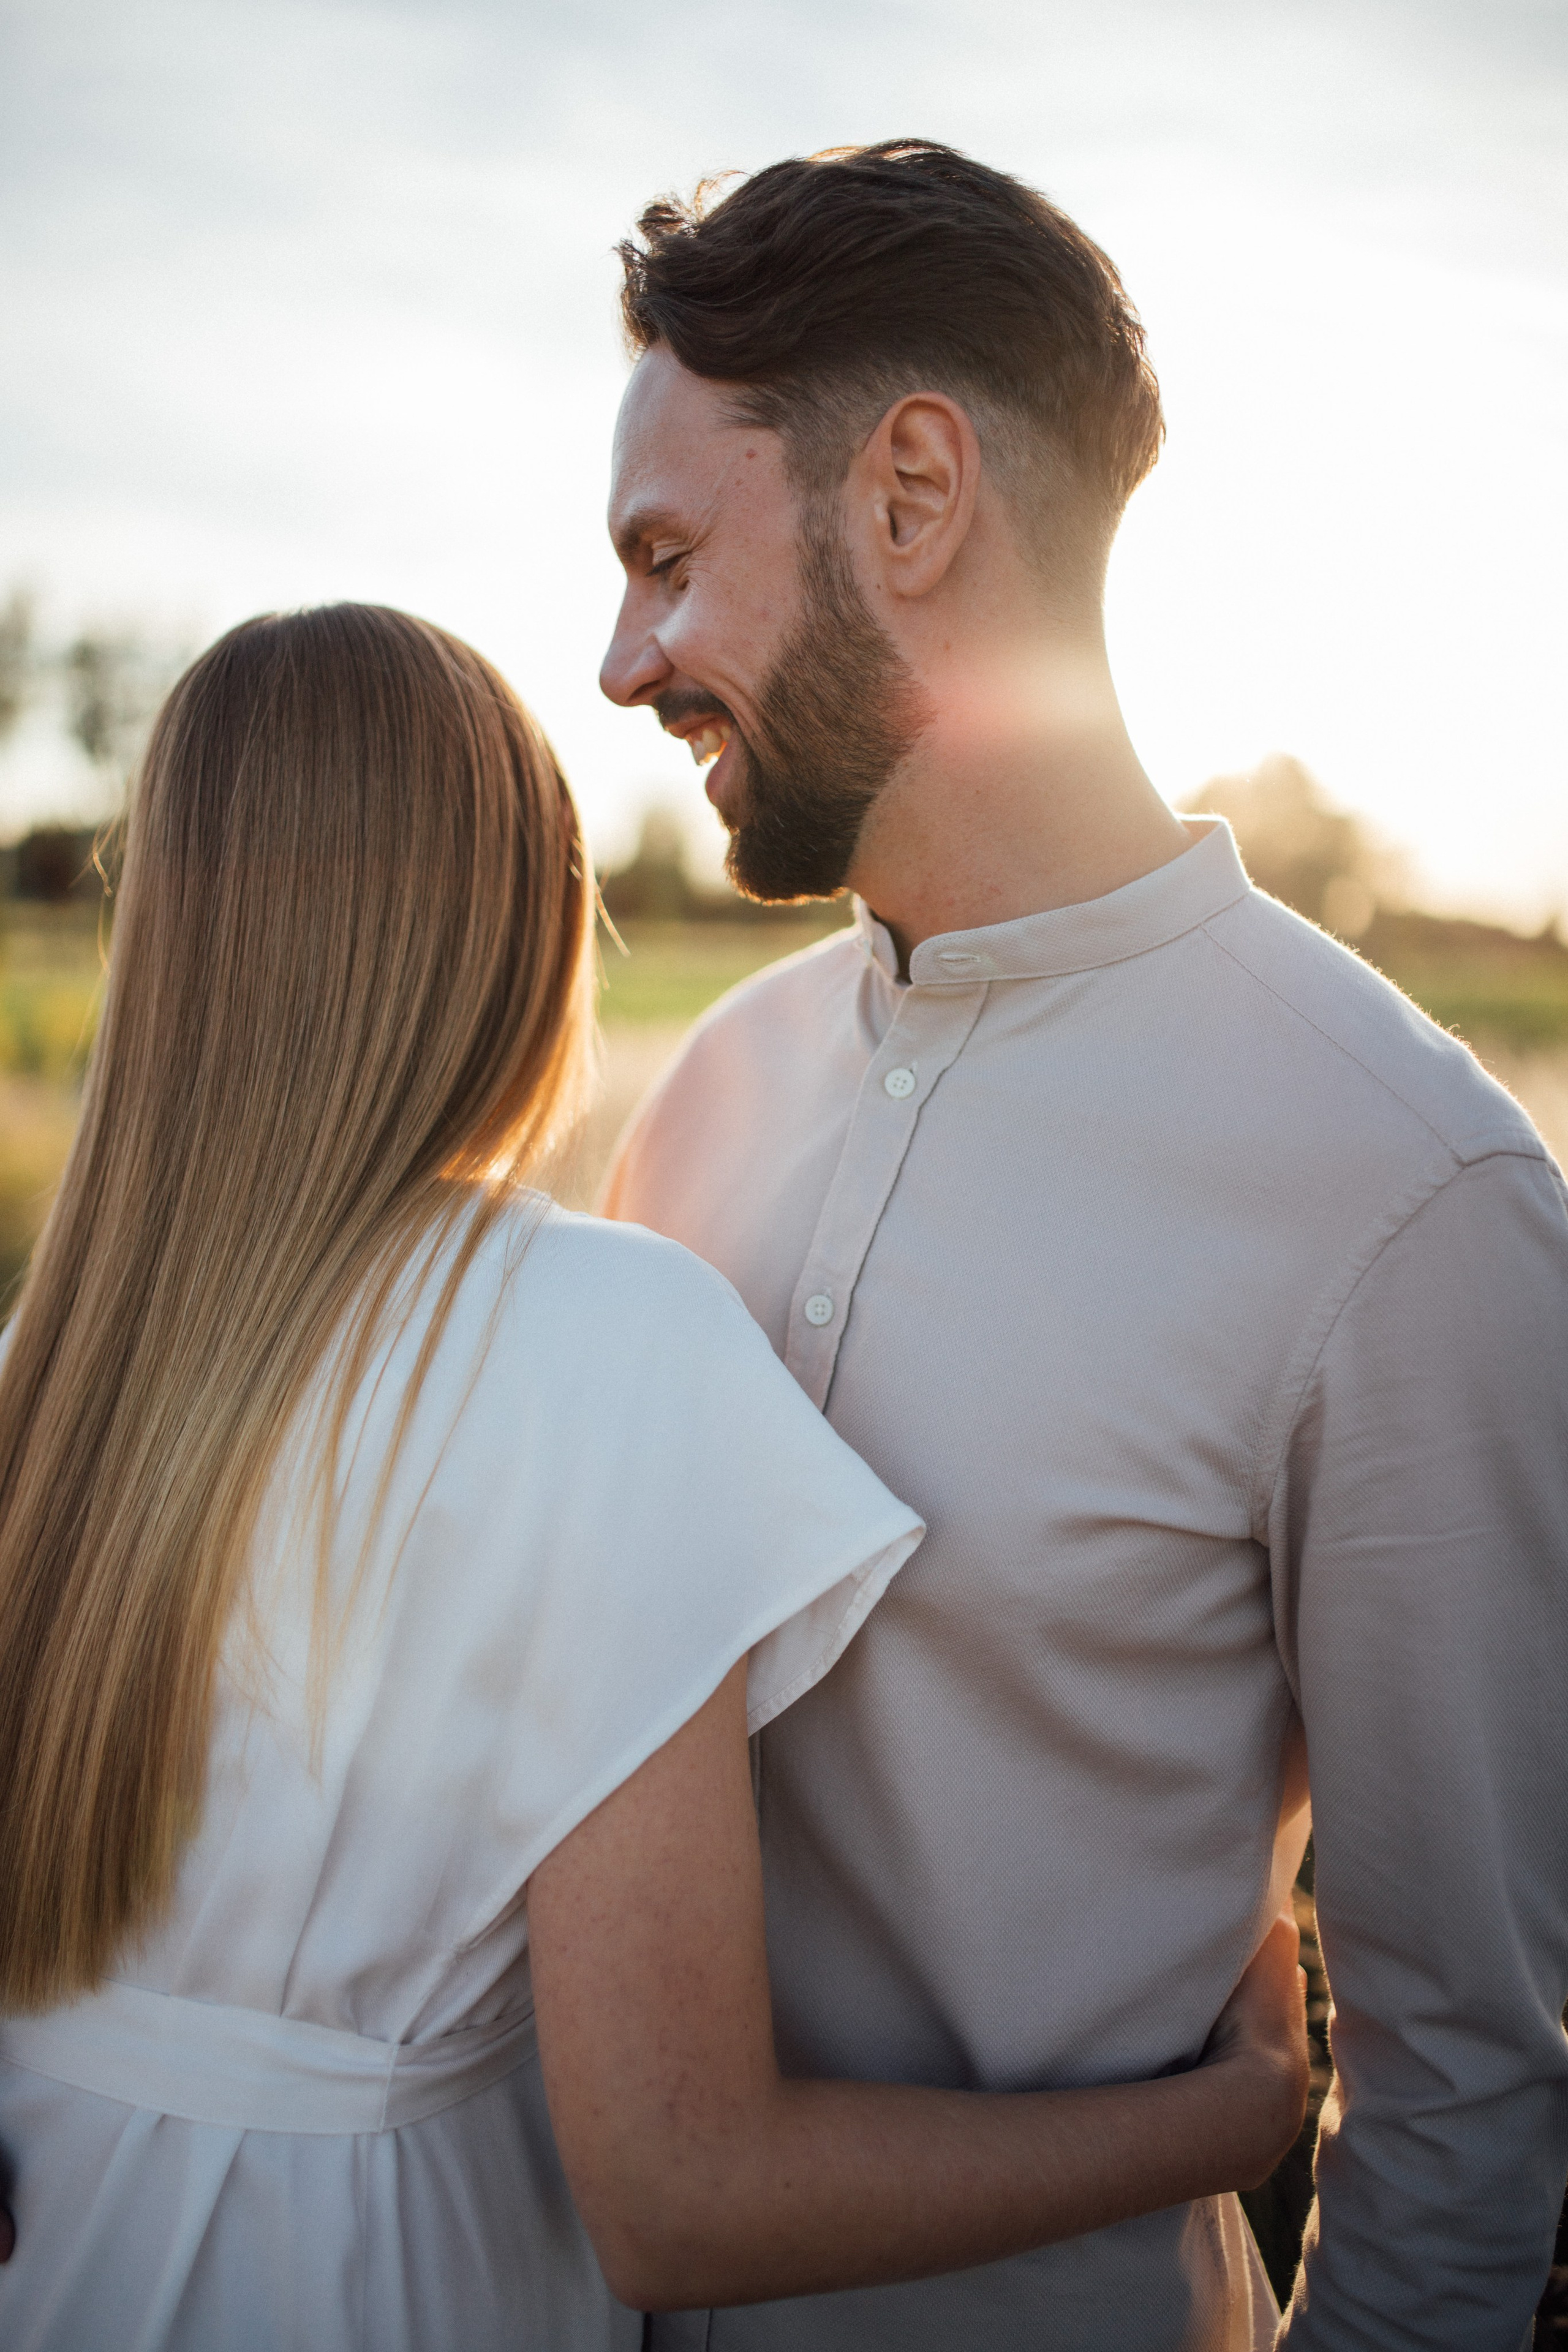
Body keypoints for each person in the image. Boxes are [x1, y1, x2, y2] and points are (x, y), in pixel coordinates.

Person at [0, 605, 1306, 2350]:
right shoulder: (596, 1337)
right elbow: (683, 2194)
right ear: (521, 923)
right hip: (379, 2287)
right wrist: (1221, 2123)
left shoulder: (50, 1358)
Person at [599, 141, 1568, 2348]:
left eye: (668, 559)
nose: (623, 658)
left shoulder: (1412, 1200)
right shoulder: (709, 1096)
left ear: (913, 496)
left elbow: (1459, 2100)